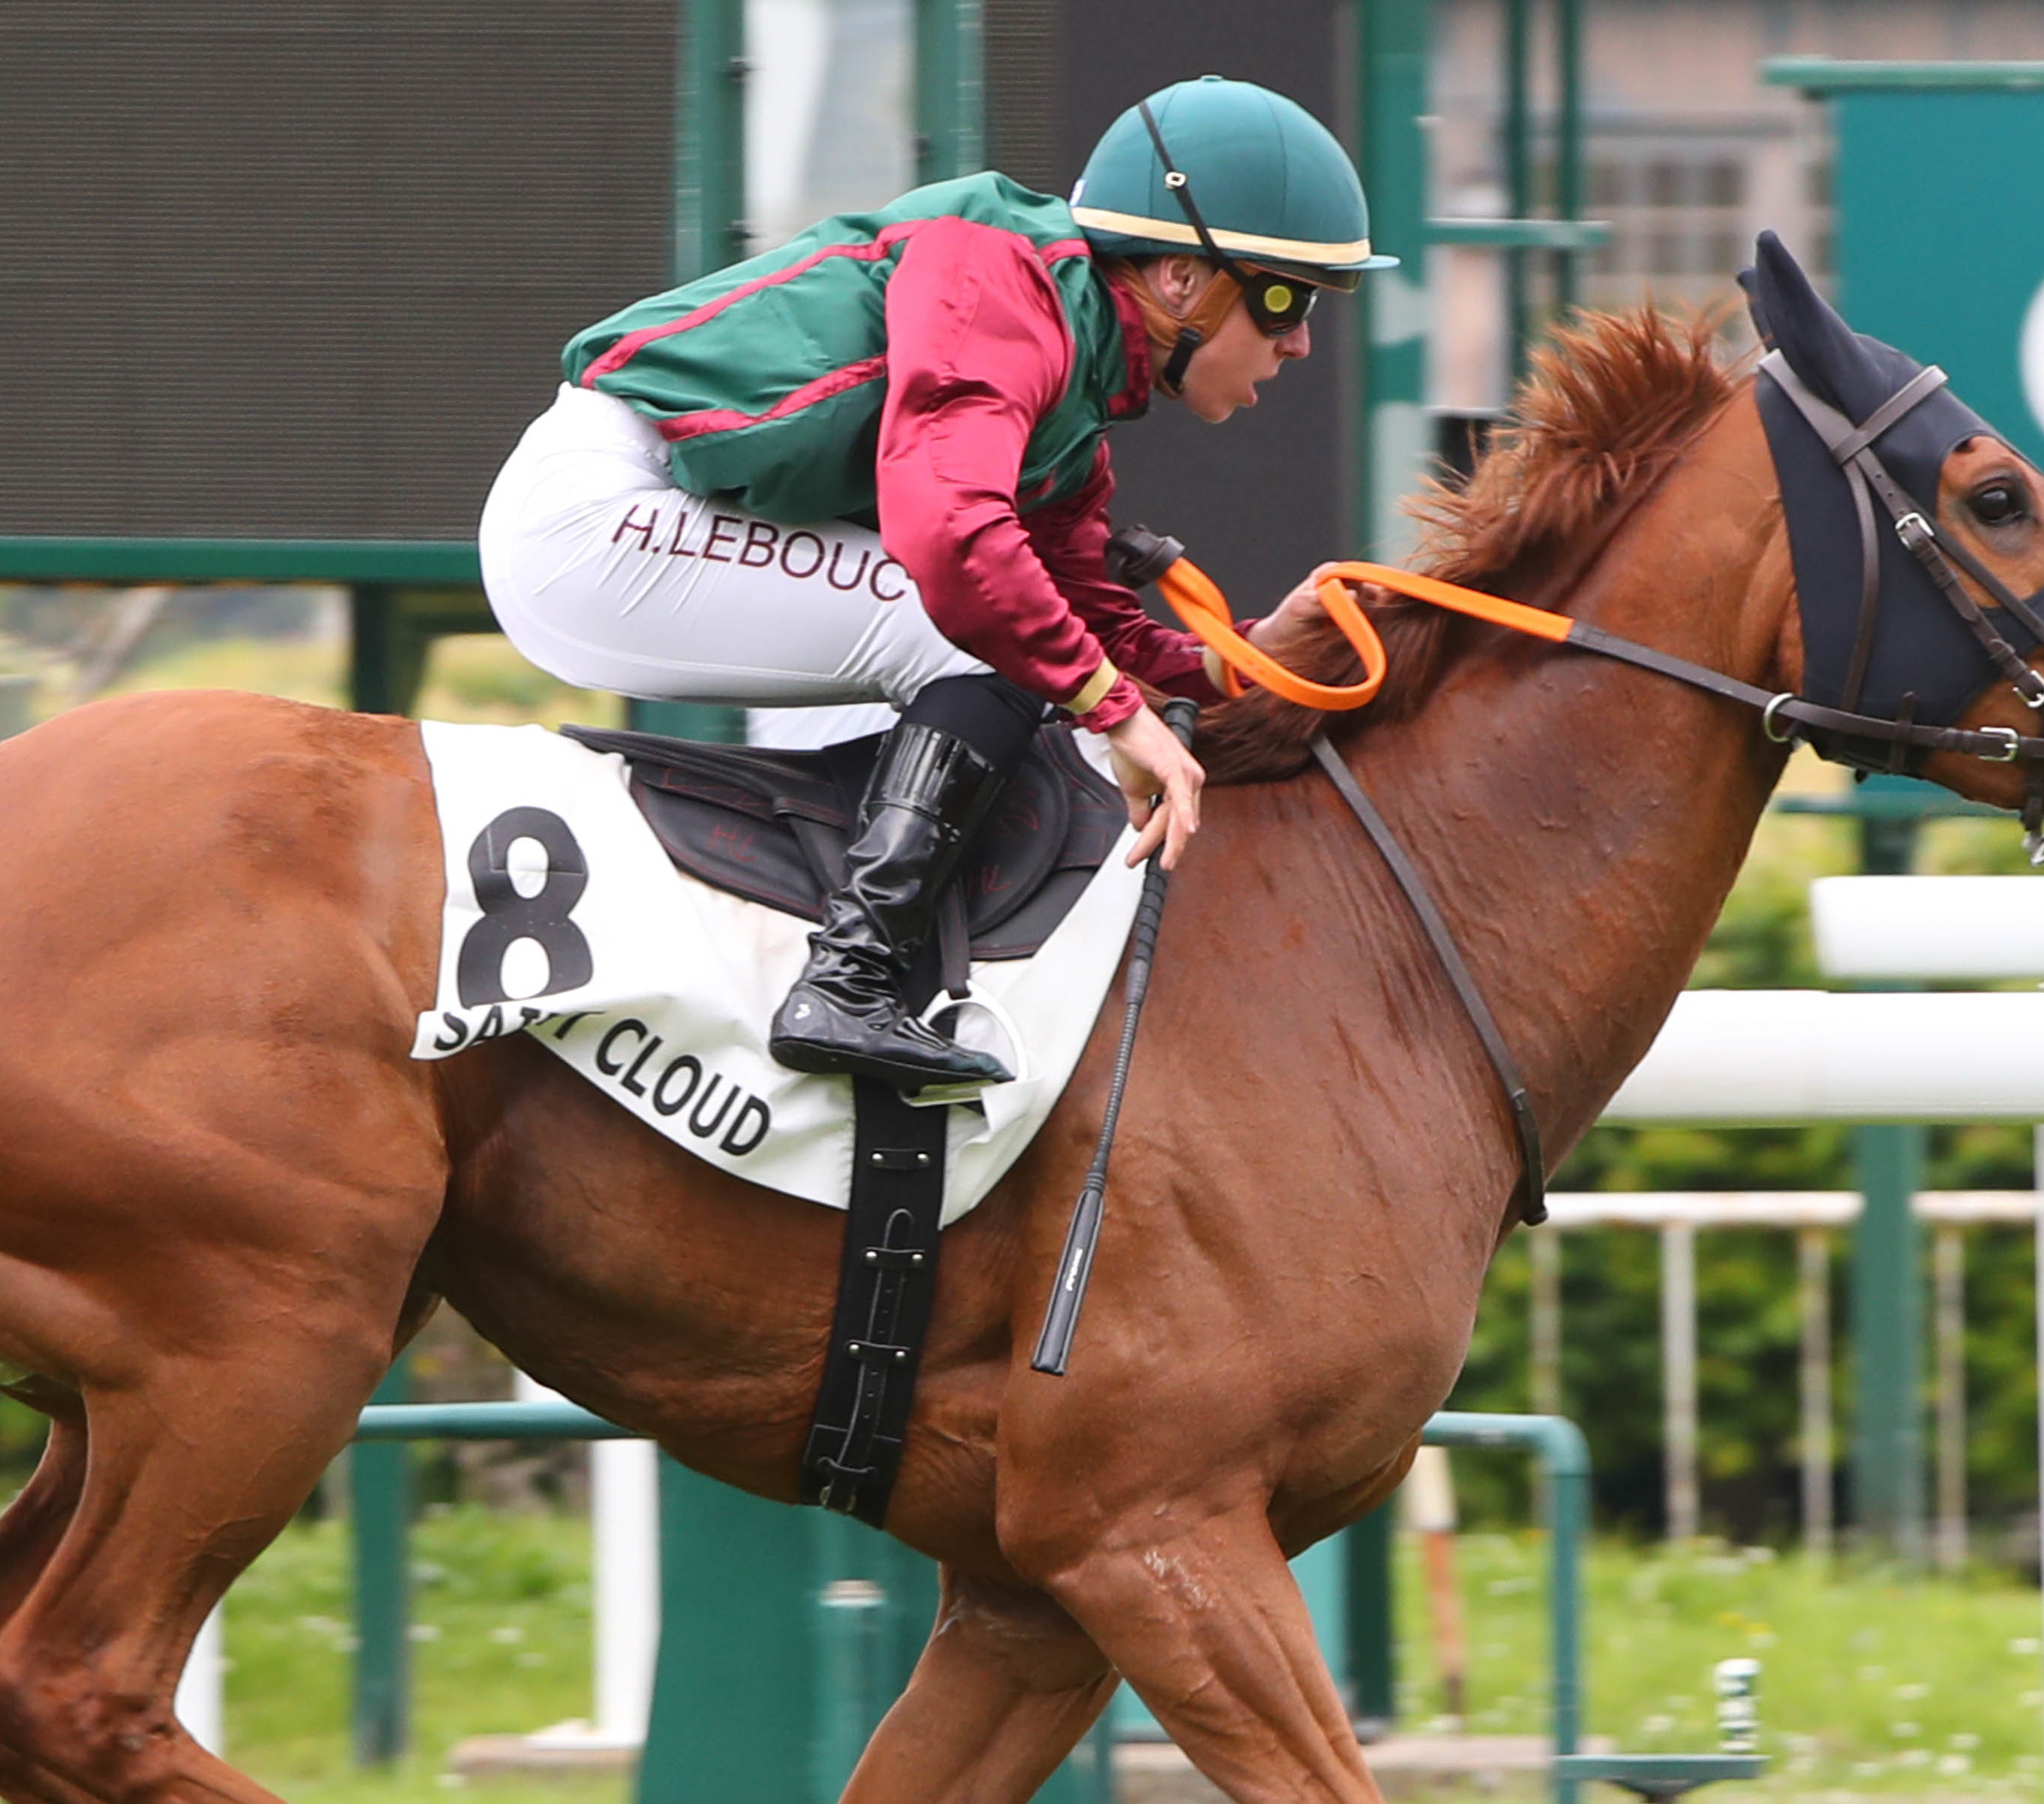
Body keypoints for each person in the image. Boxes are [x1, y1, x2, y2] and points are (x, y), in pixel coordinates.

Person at [481, 75, 1387, 1090]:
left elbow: (1088, 619)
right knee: (981, 632)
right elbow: (955, 541)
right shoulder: (1000, 277)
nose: (1302, 338)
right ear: (1182, 276)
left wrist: (1247, 663)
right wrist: (1112, 711)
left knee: (1023, 635)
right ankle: (847, 978)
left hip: (646, 528)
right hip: (601, 514)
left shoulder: (1072, 394)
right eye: (1285, 295)